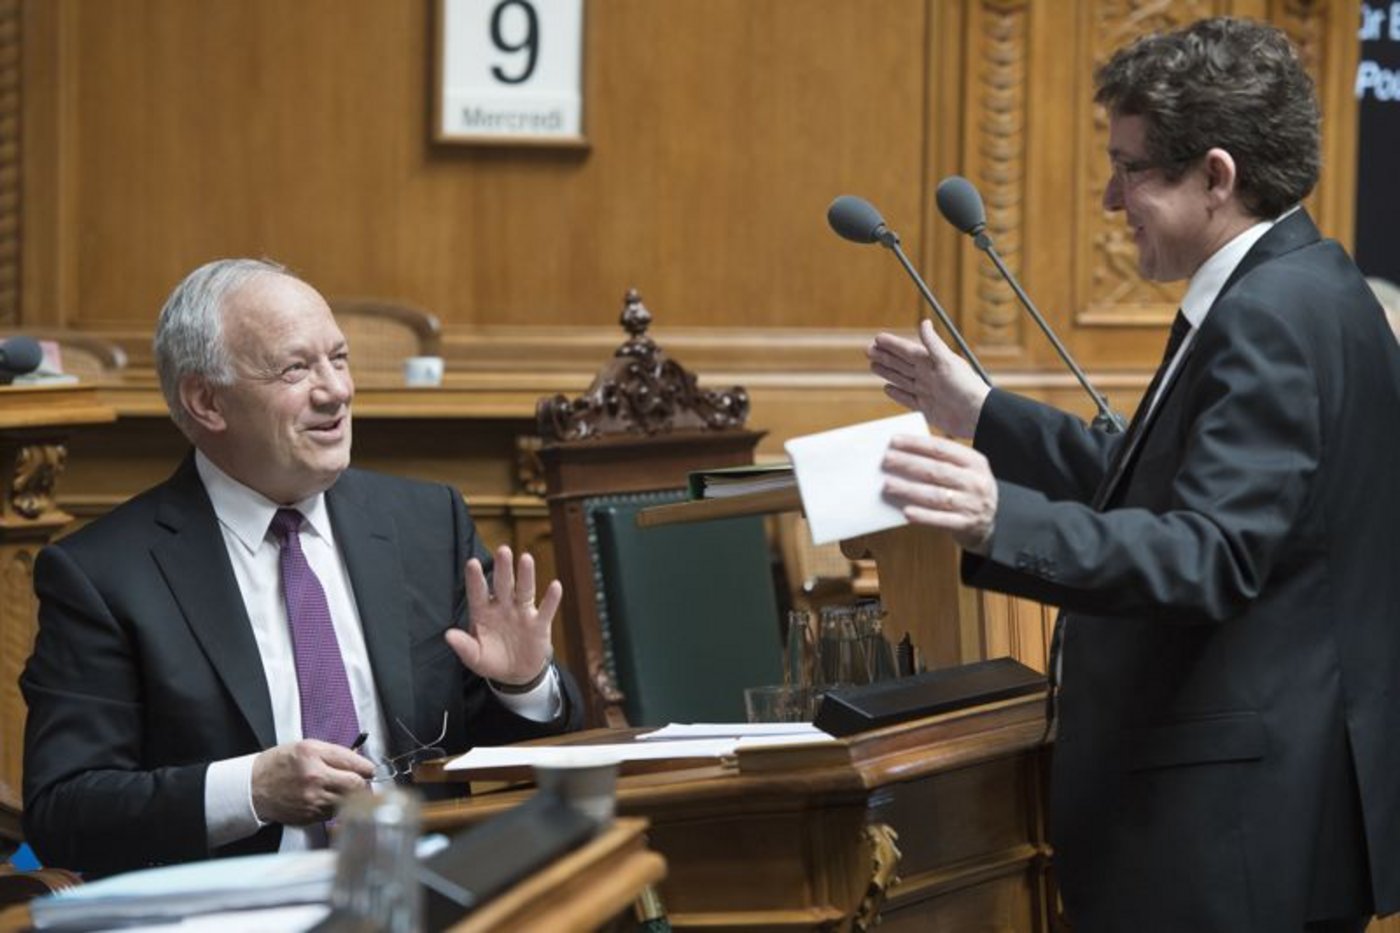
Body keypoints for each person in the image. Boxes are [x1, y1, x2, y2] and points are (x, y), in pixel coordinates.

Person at [868, 18, 1399, 933]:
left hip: (1230, 833)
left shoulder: (1266, 315)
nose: (1111, 199)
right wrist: (985, 418)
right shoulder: (1310, 282)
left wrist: (1005, 521)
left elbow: (1212, 551)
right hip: (1271, 815)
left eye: (1132, 168)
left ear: (1217, 176)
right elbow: (1166, 484)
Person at [22, 258, 582, 874]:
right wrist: (252, 790)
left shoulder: (426, 524)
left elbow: (515, 754)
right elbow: (64, 813)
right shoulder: (103, 574)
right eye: (296, 368)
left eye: (338, 359)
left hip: (426, 895)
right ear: (207, 401)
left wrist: (522, 687)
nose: (336, 390)